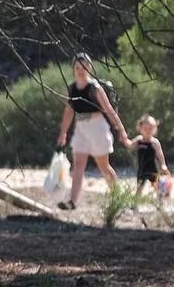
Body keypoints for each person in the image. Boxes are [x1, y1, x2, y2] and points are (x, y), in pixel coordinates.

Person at [54, 53, 127, 210]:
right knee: (78, 166)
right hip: (81, 130)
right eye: (77, 67)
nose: (81, 70)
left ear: (90, 67)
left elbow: (108, 110)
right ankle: (72, 201)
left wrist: (121, 129)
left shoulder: (95, 88)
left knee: (103, 166)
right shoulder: (72, 88)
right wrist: (63, 133)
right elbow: (69, 111)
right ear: (73, 69)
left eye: (84, 67)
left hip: (98, 129)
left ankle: (118, 197)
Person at [131, 115, 170, 206]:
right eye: (145, 128)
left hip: (153, 169)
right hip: (142, 169)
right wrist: (124, 139)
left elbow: (160, 154)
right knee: (139, 187)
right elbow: (130, 145)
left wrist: (163, 165)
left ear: (155, 129)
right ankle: (135, 205)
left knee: (157, 186)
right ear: (140, 128)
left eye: (150, 128)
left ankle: (161, 203)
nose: (148, 131)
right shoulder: (138, 140)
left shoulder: (154, 142)